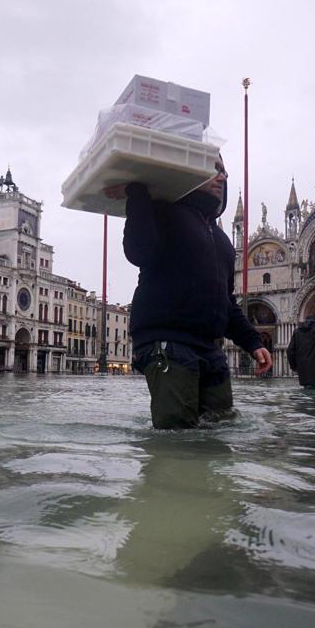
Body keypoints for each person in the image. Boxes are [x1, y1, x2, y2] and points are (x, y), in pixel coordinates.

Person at [112, 160, 273, 429]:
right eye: (212, 170)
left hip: (210, 348)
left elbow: (226, 301)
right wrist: (137, 194)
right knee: (177, 438)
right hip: (167, 341)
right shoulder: (164, 212)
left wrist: (253, 342)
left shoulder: (222, 241)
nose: (221, 178)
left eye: (224, 171)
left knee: (220, 429)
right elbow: (138, 251)